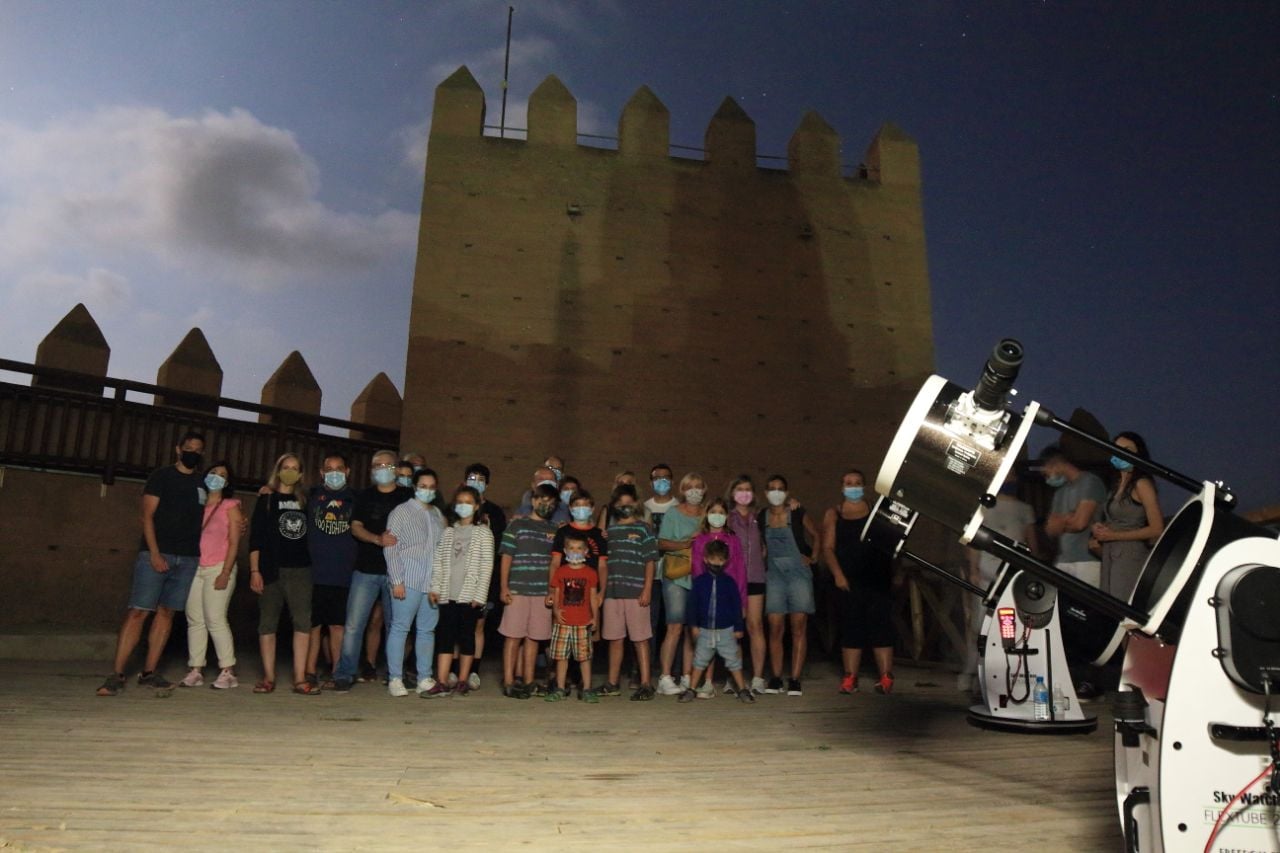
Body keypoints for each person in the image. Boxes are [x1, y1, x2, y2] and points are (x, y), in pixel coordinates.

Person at [98, 431, 207, 695]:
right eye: (189, 448)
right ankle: (117, 674)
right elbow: (146, 517)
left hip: (188, 558)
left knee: (166, 614)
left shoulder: (203, 483)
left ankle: (149, 672)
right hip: (156, 555)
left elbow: (217, 511)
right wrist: (155, 553)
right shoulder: (161, 476)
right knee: (138, 612)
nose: (193, 452)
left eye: (199, 449)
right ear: (178, 450)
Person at [329, 450, 411, 692]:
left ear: (396, 468)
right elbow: (355, 527)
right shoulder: (364, 496)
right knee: (354, 624)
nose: (381, 468)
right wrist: (377, 539)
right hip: (365, 569)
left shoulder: (408, 497)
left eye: (386, 464)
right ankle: (345, 673)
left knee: (396, 624)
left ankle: (395, 673)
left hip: (397, 572)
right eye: (377, 465)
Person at [960, 471, 1037, 693]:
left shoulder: (1025, 509)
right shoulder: (984, 507)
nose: (1010, 483)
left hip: (1013, 575)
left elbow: (1031, 543)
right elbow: (973, 541)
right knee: (979, 625)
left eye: (1013, 480)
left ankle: (1006, 673)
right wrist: (973, 569)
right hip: (986, 573)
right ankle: (972, 672)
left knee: (1009, 625)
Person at [249, 452, 318, 695]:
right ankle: (269, 677)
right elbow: (255, 538)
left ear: (300, 474)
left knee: (302, 623)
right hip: (270, 569)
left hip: (300, 569)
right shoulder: (266, 499)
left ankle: (300, 678)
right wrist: (255, 570)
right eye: (285, 467)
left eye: (294, 467)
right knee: (267, 623)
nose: (289, 471)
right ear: (278, 470)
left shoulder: (306, 501)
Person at [823, 469, 896, 695]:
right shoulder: (834, 513)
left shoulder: (877, 510)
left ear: (864, 486)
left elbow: (892, 542)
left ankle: (885, 676)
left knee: (881, 627)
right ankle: (850, 677)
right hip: (849, 580)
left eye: (857, 483)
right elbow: (828, 547)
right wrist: (838, 575)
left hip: (877, 578)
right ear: (842, 487)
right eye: (848, 483)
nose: (853, 486)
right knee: (851, 627)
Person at [179, 461, 243, 689]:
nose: (217, 477)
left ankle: (227, 671)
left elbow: (235, 541)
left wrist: (226, 571)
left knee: (215, 618)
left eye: (222, 475)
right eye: (213, 472)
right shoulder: (197, 503)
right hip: (195, 567)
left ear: (227, 482)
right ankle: (196, 669)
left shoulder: (231, 505)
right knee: (195, 619)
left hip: (218, 566)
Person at [383, 469, 446, 697]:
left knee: (427, 631)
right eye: (423, 486)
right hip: (407, 580)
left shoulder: (438, 514)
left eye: (431, 487)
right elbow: (390, 546)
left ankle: (424, 678)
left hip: (430, 584)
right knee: (400, 628)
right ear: (415, 486)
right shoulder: (401, 512)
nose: (427, 490)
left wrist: (438, 583)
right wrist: (396, 579)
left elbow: (441, 551)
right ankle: (395, 678)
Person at [428, 485, 495, 696]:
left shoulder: (484, 533)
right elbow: (439, 562)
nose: (463, 506)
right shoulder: (448, 532)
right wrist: (436, 588)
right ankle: (442, 679)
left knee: (467, 637)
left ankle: (463, 679)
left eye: (468, 502)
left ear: (476, 506)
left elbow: (487, 566)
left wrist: (479, 595)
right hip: (448, 594)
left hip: (469, 597)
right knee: (446, 637)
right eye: (460, 502)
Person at [760, 474, 821, 696]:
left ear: (786, 492)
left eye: (780, 488)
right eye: (772, 488)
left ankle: (795, 679)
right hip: (774, 574)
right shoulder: (762, 516)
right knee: (775, 625)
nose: (776, 492)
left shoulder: (796, 513)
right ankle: (775, 677)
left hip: (798, 575)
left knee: (798, 626)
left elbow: (816, 534)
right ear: (766, 493)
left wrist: (813, 557)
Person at [498, 483, 560, 698]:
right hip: (517, 590)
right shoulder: (516, 526)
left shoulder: (554, 530)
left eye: (551, 503)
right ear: (533, 501)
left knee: (534, 638)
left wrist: (552, 591)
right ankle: (508, 681)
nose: (546, 505)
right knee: (513, 637)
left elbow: (556, 564)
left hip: (542, 592)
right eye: (542, 501)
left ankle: (529, 680)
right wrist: (504, 587)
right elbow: (506, 557)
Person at [599, 485, 658, 700]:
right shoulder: (610, 532)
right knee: (614, 639)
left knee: (640, 639)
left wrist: (647, 589)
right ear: (614, 506)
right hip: (613, 594)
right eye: (620, 504)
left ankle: (645, 683)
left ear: (636, 504)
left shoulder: (644, 529)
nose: (625, 507)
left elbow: (650, 561)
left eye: (629, 503)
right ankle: (612, 683)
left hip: (636, 593)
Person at [305, 452, 359, 686]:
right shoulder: (310, 496)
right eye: (329, 468)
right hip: (313, 571)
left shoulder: (356, 499)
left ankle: (338, 671)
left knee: (338, 625)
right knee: (313, 625)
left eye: (339, 468)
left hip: (343, 573)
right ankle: (309, 670)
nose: (334, 473)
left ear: (347, 472)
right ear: (321, 472)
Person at [680, 540, 755, 704]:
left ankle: (742, 689)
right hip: (705, 630)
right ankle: (691, 689)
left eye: (720, 560)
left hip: (726, 630)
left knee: (734, 662)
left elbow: (736, 606)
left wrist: (738, 627)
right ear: (706, 559)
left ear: (726, 561)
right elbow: (692, 606)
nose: (717, 563)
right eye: (713, 559)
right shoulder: (699, 582)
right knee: (699, 661)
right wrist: (693, 626)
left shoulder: (729, 582)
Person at [1092, 432, 1164, 602]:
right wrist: (1100, 528)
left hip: (1129, 555)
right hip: (1112, 553)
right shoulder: (1116, 484)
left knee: (1121, 604)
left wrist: (1113, 535)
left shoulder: (1141, 484)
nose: (1121, 453)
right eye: (1117, 449)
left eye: (1128, 449)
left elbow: (1157, 528)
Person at [656, 473, 706, 696]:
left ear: (705, 489)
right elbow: (661, 542)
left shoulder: (708, 514)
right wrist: (686, 542)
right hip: (677, 574)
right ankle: (665, 676)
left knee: (692, 628)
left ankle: (687, 675)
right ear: (682, 490)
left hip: (701, 574)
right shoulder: (673, 513)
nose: (694, 490)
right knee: (674, 625)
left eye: (698, 486)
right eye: (689, 486)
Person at [462, 462, 506, 690]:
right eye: (472, 477)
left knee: (478, 625)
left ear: (487, 484)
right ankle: (454, 669)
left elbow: (499, 549)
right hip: (459, 577)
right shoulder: (457, 508)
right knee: (459, 625)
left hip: (484, 578)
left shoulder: (496, 513)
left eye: (480, 479)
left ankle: (473, 670)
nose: (476, 482)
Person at [1040, 446, 1107, 587]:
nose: (1047, 477)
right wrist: (1069, 517)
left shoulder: (1090, 482)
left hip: (1088, 561)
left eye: (1047, 472)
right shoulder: (1060, 492)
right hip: (1063, 560)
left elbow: (1080, 523)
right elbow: (1050, 529)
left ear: (1056, 464)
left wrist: (1062, 521)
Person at [545, 532, 600, 702]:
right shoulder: (561, 572)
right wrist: (555, 611)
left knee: (584, 657)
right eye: (571, 548)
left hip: (583, 621)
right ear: (565, 550)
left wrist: (595, 618)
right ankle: (560, 688)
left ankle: (587, 688)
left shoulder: (590, 573)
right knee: (561, 657)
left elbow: (592, 597)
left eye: (579, 548)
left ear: (585, 552)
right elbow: (556, 593)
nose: (575, 551)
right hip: (563, 622)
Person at [726, 474, 768, 694]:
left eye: (748, 489)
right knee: (734, 629)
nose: (744, 493)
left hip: (755, 578)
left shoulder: (760, 518)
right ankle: (735, 677)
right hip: (732, 580)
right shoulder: (726, 518)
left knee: (755, 626)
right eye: (739, 489)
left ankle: (758, 678)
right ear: (732, 493)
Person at [550, 489, 608, 593]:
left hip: (591, 590)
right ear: (570, 508)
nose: (581, 508)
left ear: (592, 509)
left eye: (585, 505)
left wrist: (602, 591)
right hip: (564, 588)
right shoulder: (562, 532)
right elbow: (555, 563)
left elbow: (602, 566)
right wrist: (552, 590)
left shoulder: (599, 535)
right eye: (577, 505)